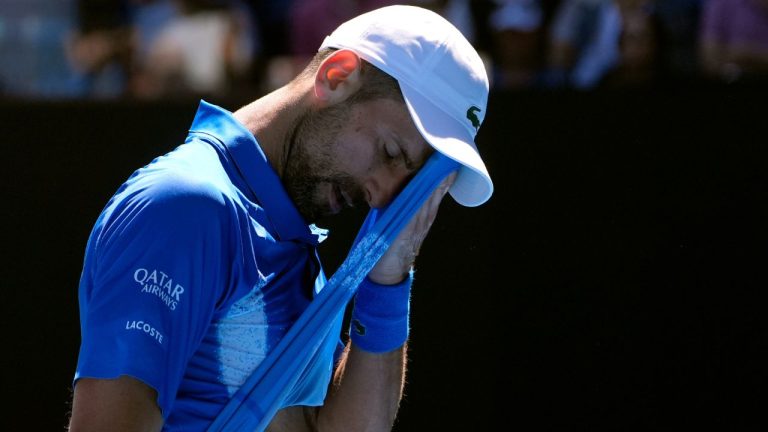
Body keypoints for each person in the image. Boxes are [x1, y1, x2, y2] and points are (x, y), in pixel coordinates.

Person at [67, 4, 493, 431]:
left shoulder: (290, 242)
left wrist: (389, 279)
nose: (381, 194)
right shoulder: (184, 206)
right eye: (390, 153)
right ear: (338, 75)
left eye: (408, 180)